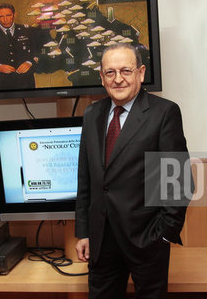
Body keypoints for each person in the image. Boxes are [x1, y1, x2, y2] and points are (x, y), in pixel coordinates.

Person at [74, 43, 192, 299]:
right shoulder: (92, 114)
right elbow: (86, 179)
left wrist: (163, 234)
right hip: (101, 240)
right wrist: (83, 231)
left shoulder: (164, 113)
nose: (118, 79)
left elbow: (179, 180)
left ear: (140, 73)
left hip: (147, 240)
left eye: (125, 71)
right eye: (110, 72)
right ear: (101, 77)